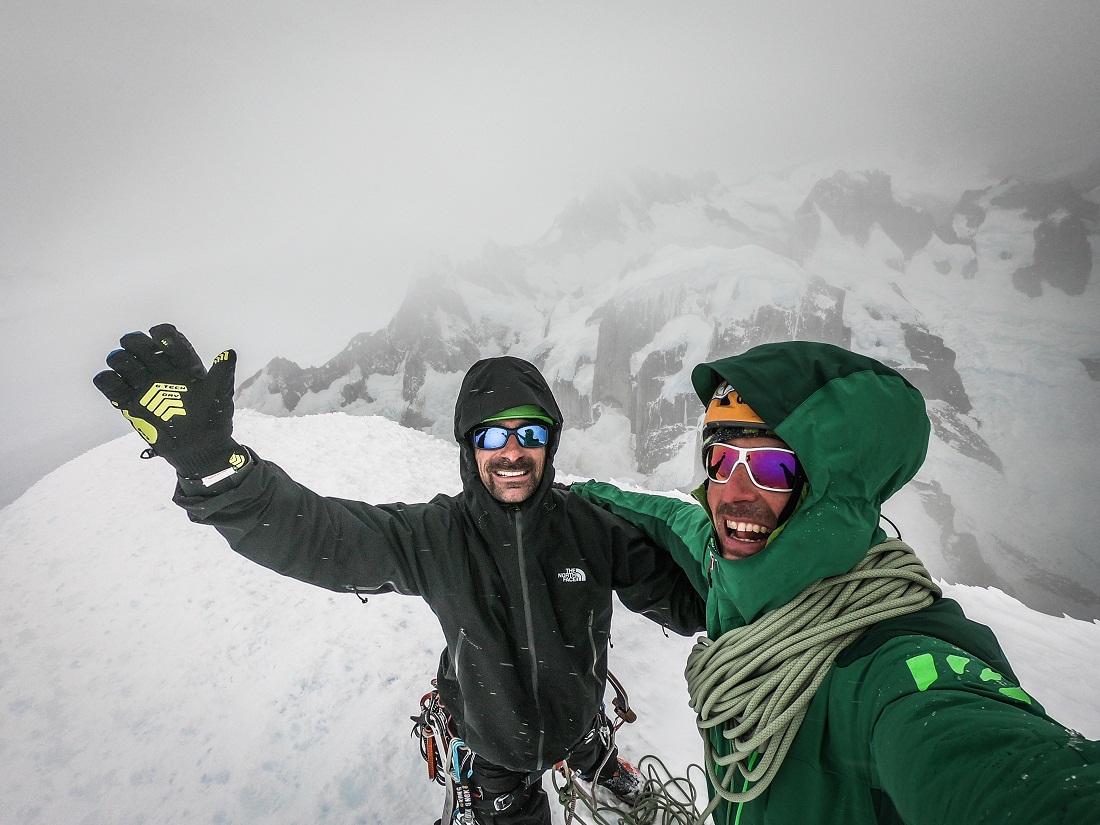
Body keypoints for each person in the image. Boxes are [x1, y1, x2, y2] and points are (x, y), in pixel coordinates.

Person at [92, 323, 706, 825]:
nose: (512, 451)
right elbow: (321, 537)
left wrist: (752, 588)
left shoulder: (593, 528)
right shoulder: (437, 536)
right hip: (494, 745)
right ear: (470, 446)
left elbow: (683, 602)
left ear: (550, 441)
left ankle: (592, 758)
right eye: (493, 434)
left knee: (581, 735)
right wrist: (217, 473)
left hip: (577, 716)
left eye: (530, 433)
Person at [572, 340, 1100, 825]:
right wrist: (572, 495)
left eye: (772, 468)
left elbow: (1001, 770)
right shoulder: (733, 566)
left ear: (828, 490)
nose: (733, 492)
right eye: (721, 460)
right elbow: (670, 518)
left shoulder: (894, 673)